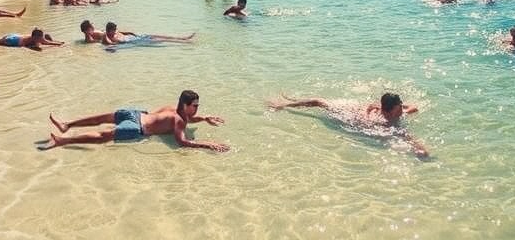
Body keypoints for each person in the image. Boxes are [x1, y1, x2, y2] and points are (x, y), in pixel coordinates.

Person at [43, 89, 228, 151]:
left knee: (101, 118)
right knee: (103, 135)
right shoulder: (179, 120)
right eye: (195, 106)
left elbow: (189, 119)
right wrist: (207, 144)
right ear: (186, 105)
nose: (197, 108)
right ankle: (62, 141)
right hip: (137, 127)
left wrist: (204, 118)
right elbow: (183, 142)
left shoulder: (174, 108)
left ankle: (67, 125)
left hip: (135, 113)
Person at [269, 92, 429, 157]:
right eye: (399, 108)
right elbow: (405, 135)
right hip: (347, 116)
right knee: (319, 102)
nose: (402, 109)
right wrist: (420, 149)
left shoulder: (394, 112)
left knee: (320, 102)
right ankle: (283, 105)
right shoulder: (383, 122)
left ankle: (288, 102)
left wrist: (403, 108)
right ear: (389, 111)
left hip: (366, 110)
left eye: (401, 106)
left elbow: (413, 107)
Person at [102, 21, 194, 45]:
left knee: (157, 35)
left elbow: (124, 32)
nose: (116, 30)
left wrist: (132, 33)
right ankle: (183, 42)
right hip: (136, 41)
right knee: (161, 40)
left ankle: (183, 37)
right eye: (114, 30)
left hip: (138, 37)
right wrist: (105, 35)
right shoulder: (111, 38)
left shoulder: (115, 33)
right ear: (109, 31)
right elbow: (110, 44)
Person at [0, 28, 64, 51]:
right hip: (13, 40)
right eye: (41, 37)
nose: (42, 39)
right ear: (36, 37)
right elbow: (21, 45)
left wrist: (59, 43)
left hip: (16, 35)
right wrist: (29, 47)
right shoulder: (31, 39)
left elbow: (49, 43)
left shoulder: (39, 38)